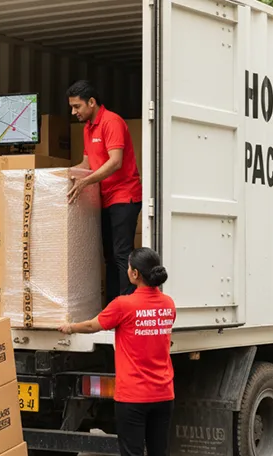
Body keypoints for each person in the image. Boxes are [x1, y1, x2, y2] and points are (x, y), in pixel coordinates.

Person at [58, 247, 176, 456]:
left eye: (129, 267)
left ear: (135, 273)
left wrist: (70, 327)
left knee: (132, 452)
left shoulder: (124, 305)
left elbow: (92, 326)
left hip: (133, 397)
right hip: (163, 394)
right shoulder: (168, 304)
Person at [66, 79, 143, 306]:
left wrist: (85, 182)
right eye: (71, 107)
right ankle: (113, 307)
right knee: (109, 257)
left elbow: (115, 162)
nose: (73, 112)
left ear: (91, 102)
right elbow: (86, 163)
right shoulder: (88, 129)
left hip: (124, 196)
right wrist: (60, 176)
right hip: (105, 198)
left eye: (77, 107)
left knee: (122, 255)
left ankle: (128, 306)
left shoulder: (112, 122)